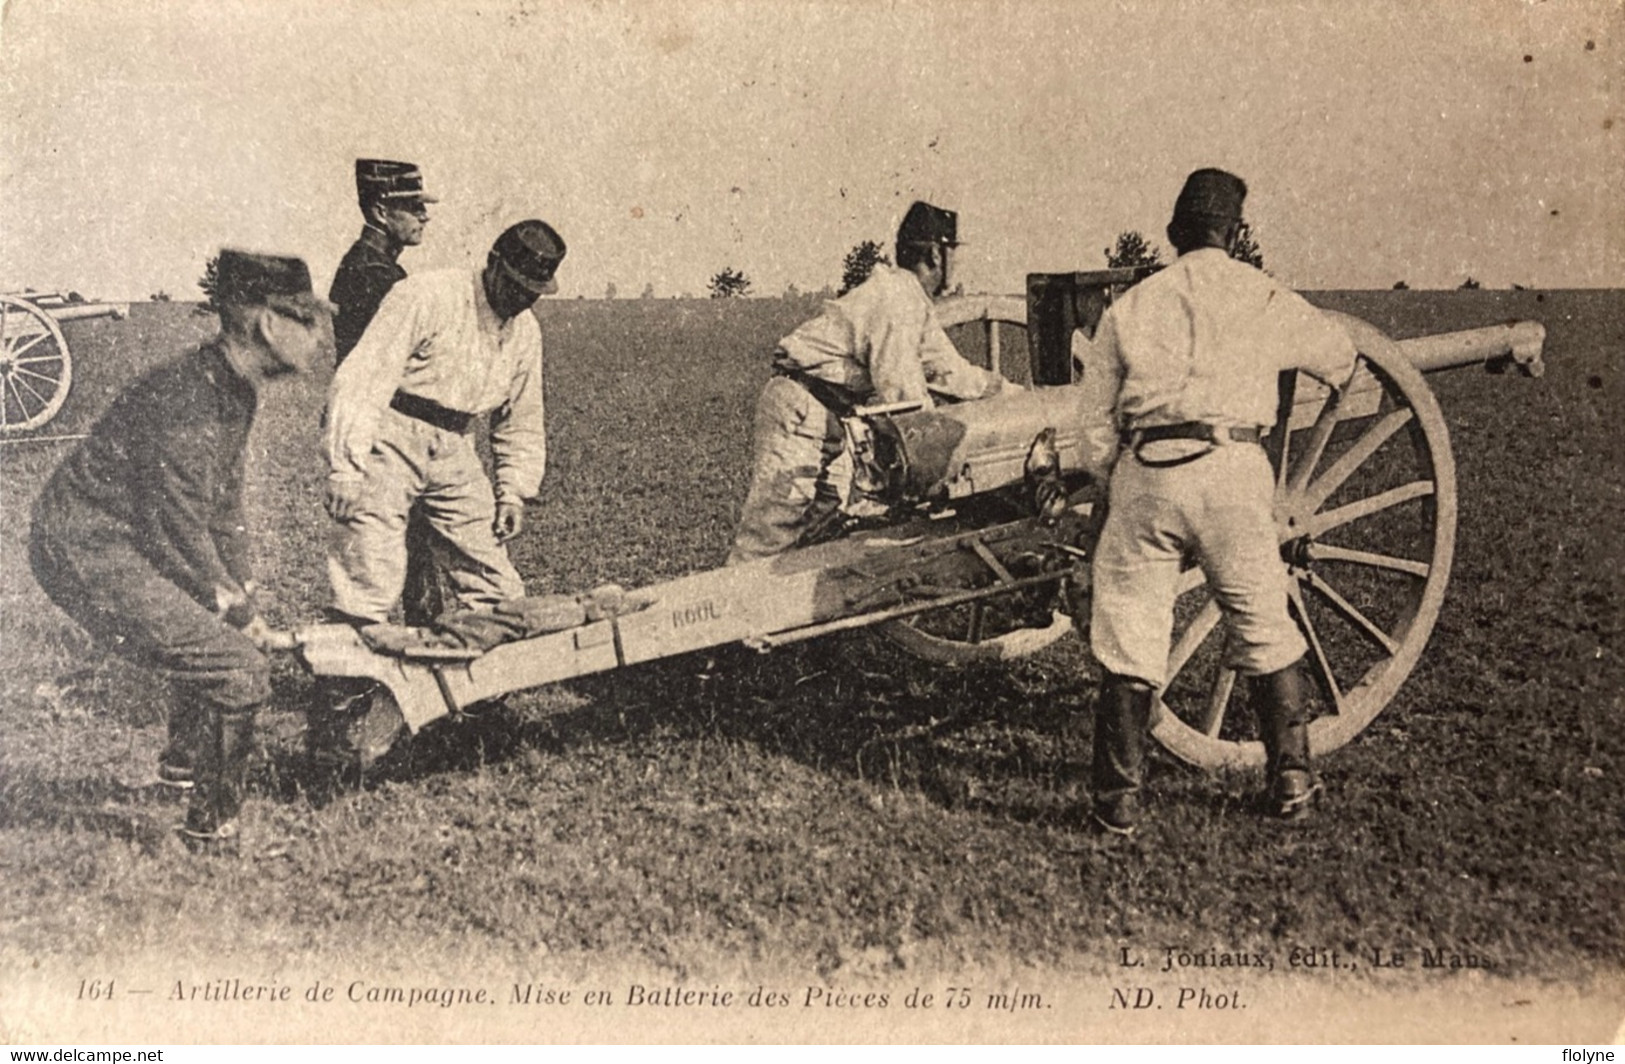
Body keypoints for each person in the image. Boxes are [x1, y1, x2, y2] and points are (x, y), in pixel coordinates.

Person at [1071, 168, 1358, 835]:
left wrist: (1114, 483)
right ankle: (1290, 780)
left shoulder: (1133, 305)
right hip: (1232, 468)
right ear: (1234, 233)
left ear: (1174, 234)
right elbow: (1339, 357)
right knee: (1261, 616)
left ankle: (1116, 802)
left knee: (1128, 635)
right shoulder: (1261, 295)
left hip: (1147, 469)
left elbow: (1091, 427)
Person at [29, 249, 333, 852]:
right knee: (237, 670)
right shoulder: (191, 396)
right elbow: (179, 529)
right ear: (269, 323)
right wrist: (240, 617)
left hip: (120, 537)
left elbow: (222, 509)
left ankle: (182, 770)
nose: (319, 336)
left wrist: (242, 591)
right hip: (85, 547)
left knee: (214, 636)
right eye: (306, 319)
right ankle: (212, 832)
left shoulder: (233, 388)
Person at [727, 200, 1014, 564]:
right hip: (802, 408)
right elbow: (904, 395)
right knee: (771, 533)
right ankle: (723, 613)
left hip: (829, 414)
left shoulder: (911, 300)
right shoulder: (895, 301)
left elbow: (951, 372)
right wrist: (944, 454)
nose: (959, 263)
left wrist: (1018, 397)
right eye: (954, 252)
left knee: (821, 531)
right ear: (936, 256)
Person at [322, 219, 565, 626]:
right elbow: (364, 376)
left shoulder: (525, 331)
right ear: (493, 263)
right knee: (369, 572)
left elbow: (520, 417)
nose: (522, 299)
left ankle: (483, 681)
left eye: (533, 293)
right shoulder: (428, 294)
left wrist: (512, 493)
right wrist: (346, 467)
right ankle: (350, 684)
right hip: (392, 433)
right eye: (516, 284)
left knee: (496, 584)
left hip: (455, 445)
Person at [329, 158, 445, 626]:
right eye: (412, 206)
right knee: (387, 561)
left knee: (398, 554)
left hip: (378, 429)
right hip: (385, 434)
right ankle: (350, 684)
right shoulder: (376, 276)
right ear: (380, 212)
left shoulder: (370, 268)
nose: (424, 215)